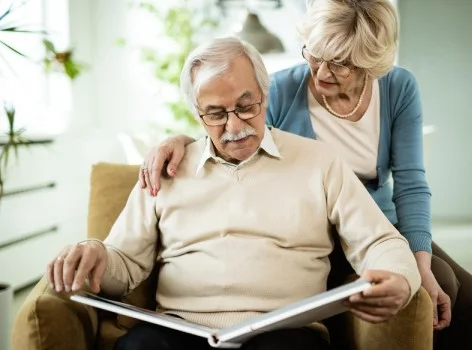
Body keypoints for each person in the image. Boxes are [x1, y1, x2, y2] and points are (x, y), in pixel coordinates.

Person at [140, 0, 472, 349]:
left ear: (370, 61)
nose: (321, 73)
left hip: (375, 223)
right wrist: (181, 140)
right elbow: (230, 136)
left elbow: (411, 184)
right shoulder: (279, 90)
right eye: (315, 55)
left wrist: (420, 264)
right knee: (436, 286)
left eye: (340, 64)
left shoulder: (398, 88)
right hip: (314, 227)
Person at [46, 37, 423, 350]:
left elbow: (380, 241)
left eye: (246, 106)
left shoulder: (320, 162)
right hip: (179, 330)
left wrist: (398, 278)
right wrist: (96, 254)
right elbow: (124, 264)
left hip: (282, 332)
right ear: (197, 112)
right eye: (216, 113)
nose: (234, 126)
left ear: (265, 93)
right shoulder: (166, 170)